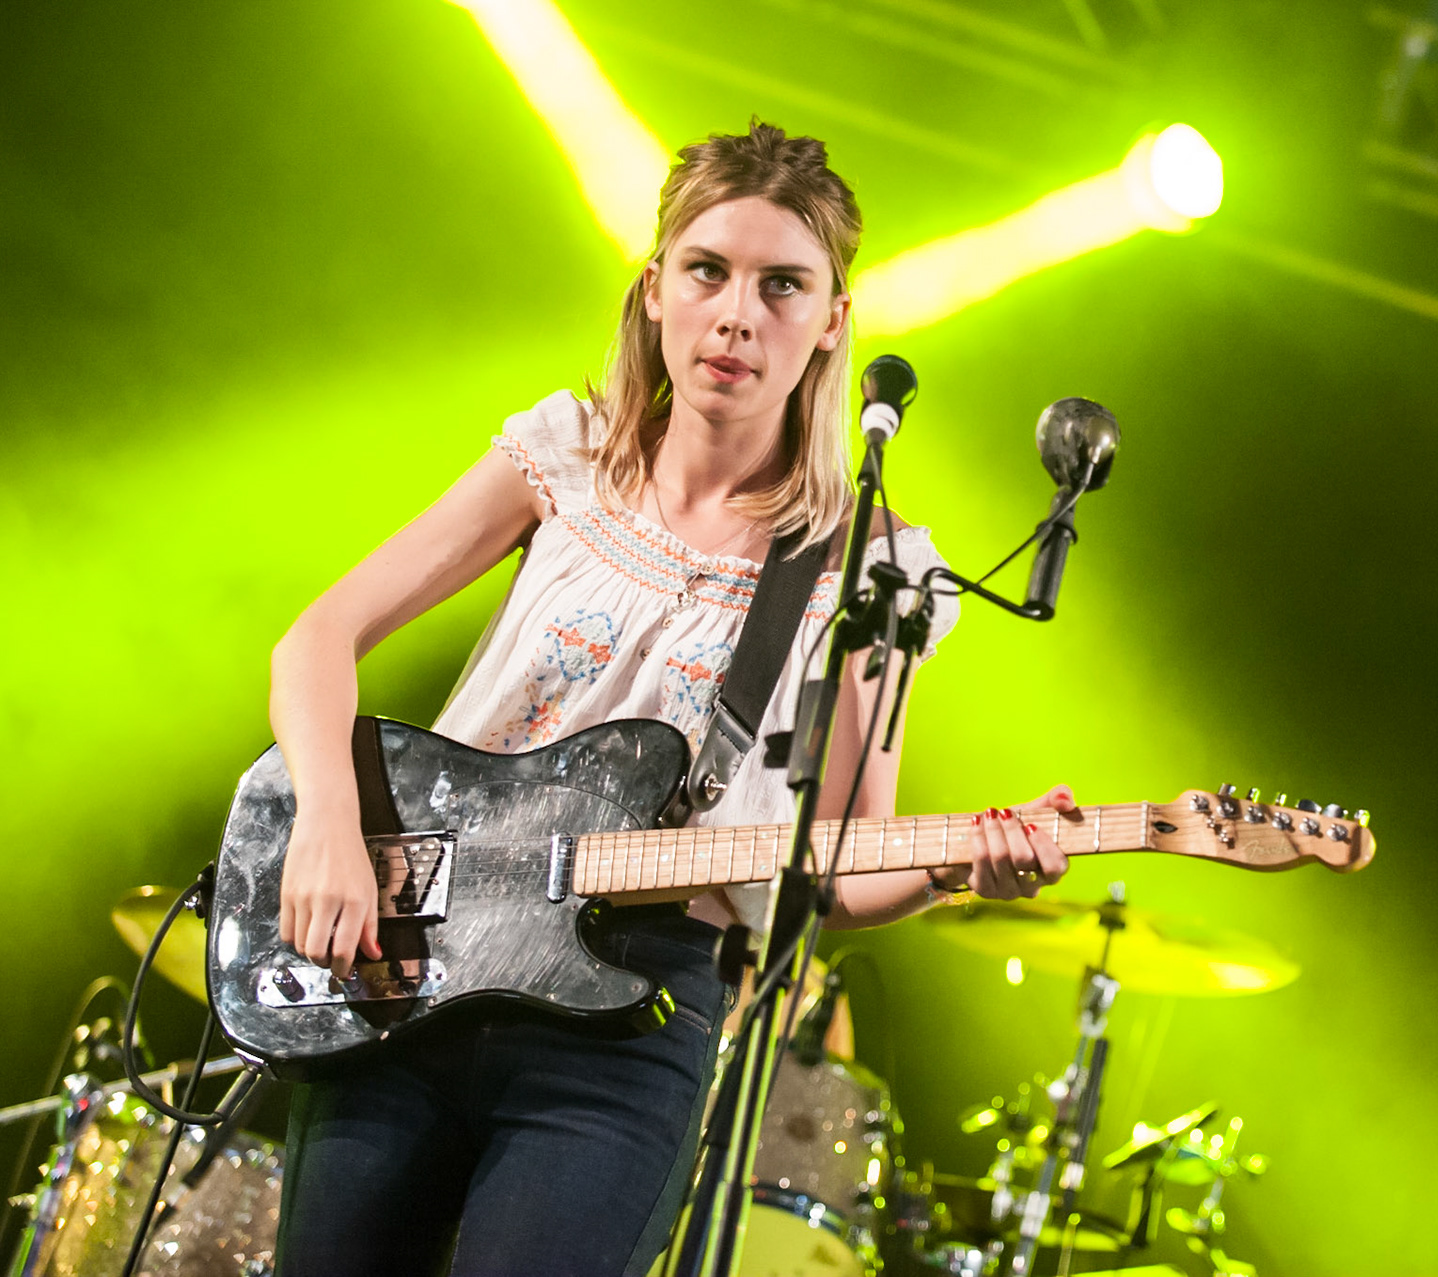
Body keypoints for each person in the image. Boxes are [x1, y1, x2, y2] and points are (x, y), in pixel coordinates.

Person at [265, 121, 1075, 1276]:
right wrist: (329, 827)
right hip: (413, 971)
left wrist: (963, 863)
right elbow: (317, 637)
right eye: (709, 271)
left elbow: (838, 864)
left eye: (783, 285)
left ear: (832, 323)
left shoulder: (869, 564)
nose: (739, 314)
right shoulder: (569, 452)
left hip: (625, 1025)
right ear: (656, 290)